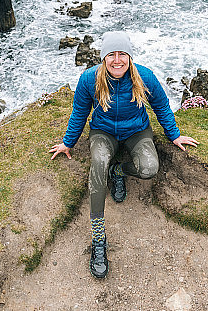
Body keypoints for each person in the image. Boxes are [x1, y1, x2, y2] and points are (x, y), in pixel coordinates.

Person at [49, 31, 198, 279]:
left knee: (149, 168)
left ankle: (118, 171)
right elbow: (79, 112)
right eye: (111, 55)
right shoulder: (89, 79)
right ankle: (98, 240)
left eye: (122, 55)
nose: (117, 60)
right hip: (103, 132)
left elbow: (161, 106)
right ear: (103, 57)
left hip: (136, 131)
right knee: (98, 164)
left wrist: (174, 135)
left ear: (129, 57)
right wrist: (68, 143)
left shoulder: (144, 76)